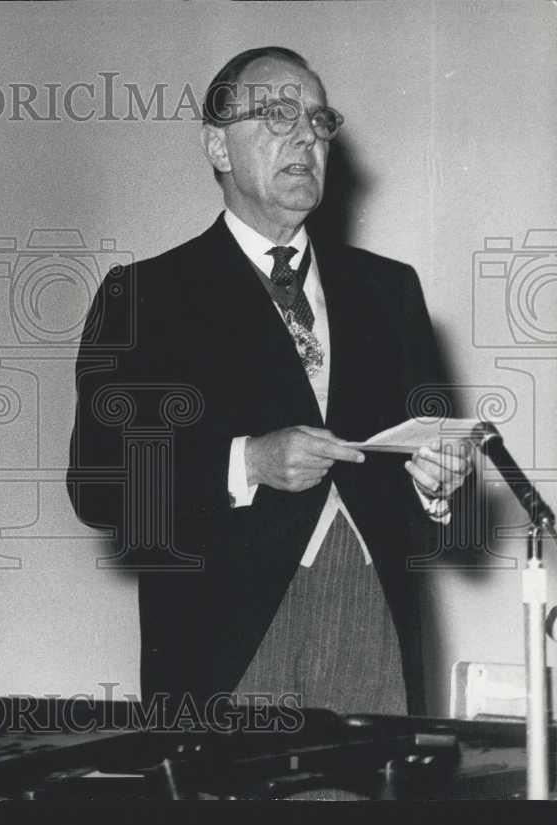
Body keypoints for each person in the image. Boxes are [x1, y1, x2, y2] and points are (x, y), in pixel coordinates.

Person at [67, 47, 473, 722]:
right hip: (226, 650)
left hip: (374, 626)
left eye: (318, 119)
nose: (307, 135)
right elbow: (100, 481)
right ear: (217, 147)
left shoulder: (390, 290)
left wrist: (436, 486)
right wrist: (245, 461)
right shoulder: (145, 297)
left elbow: (426, 476)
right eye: (278, 114)